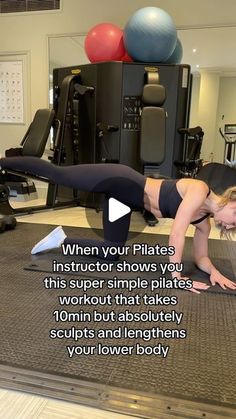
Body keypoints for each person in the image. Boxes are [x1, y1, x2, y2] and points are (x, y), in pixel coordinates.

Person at [0, 155, 236, 294]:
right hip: (120, 180)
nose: (229, 228)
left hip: (122, 200)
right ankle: (3, 161)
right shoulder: (199, 190)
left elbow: (201, 258)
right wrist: (174, 275)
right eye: (234, 224)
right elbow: (176, 233)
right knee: (59, 174)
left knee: (111, 252)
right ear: (234, 205)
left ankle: (60, 240)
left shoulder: (203, 222)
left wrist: (214, 272)